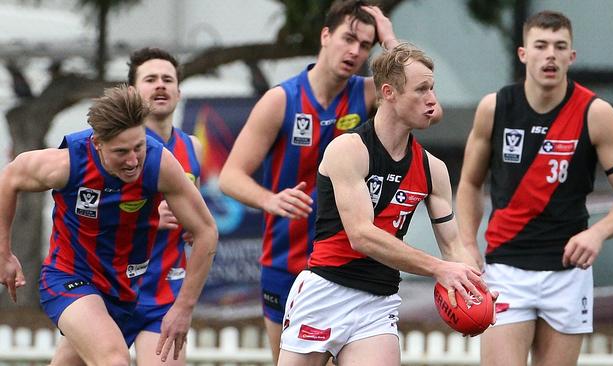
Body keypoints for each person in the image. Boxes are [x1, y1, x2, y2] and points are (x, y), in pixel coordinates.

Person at [277, 43, 490, 366]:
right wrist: (439, 269)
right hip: (325, 292)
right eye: (421, 89)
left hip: (378, 301)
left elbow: (452, 247)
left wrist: (472, 286)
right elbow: (361, 236)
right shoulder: (348, 150)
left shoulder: (434, 169)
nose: (432, 99)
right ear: (388, 92)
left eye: (432, 88)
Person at [456, 10, 613, 366]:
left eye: (560, 47)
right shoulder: (495, 108)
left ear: (571, 57)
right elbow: (469, 183)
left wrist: (598, 233)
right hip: (506, 270)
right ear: (523, 53)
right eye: (541, 45)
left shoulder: (596, 113)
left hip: (568, 273)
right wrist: (467, 245)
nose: (551, 55)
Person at [219, 1, 399, 362]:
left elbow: (407, 87)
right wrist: (269, 199)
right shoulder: (281, 100)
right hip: (287, 261)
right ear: (325, 35)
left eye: (365, 45)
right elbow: (230, 176)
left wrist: (390, 39)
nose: (355, 51)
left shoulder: (366, 95)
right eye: (348, 38)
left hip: (346, 268)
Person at [0, 85, 218, 366]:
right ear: (97, 143)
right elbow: (9, 179)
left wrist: (184, 308)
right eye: (121, 152)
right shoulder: (65, 164)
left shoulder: (158, 163)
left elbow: (206, 231)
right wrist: (4, 253)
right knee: (114, 359)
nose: (132, 160)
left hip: (124, 288)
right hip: (69, 277)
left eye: (138, 147)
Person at [48, 48, 203, 366]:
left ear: (179, 91)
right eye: (151, 79)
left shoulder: (191, 147)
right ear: (132, 92)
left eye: (168, 79)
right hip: (106, 288)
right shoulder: (111, 146)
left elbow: (200, 224)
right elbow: (85, 209)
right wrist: (146, 218)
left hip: (161, 290)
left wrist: (190, 226)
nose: (160, 85)